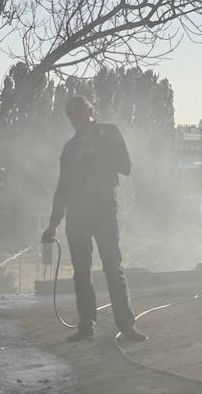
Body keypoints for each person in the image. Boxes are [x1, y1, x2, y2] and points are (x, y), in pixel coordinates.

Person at [41, 96, 147, 343]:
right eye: (71, 116)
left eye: (78, 112)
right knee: (81, 271)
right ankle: (87, 324)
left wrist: (95, 154)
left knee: (113, 265)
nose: (75, 119)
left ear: (91, 111)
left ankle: (126, 324)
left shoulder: (109, 134)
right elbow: (63, 186)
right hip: (77, 214)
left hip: (104, 211)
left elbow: (126, 166)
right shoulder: (69, 148)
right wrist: (54, 222)